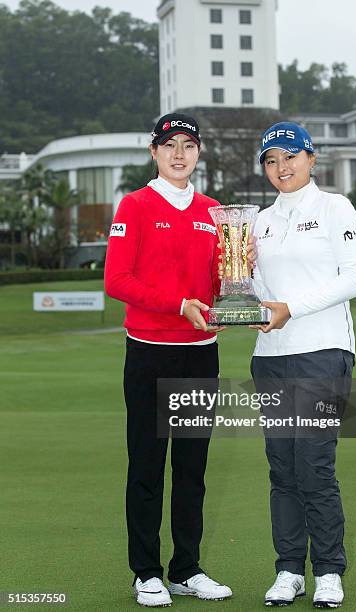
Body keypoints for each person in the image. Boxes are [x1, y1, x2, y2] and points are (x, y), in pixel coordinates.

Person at [104, 113, 232, 607]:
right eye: (169, 144)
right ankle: (146, 572)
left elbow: (222, 283)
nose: (179, 153)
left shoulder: (215, 211)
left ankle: (186, 568)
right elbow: (118, 280)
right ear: (154, 153)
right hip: (150, 352)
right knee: (147, 465)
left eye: (188, 145)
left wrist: (233, 297)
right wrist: (179, 305)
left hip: (200, 356)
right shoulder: (134, 205)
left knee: (192, 468)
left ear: (199, 153)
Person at [250, 122, 356, 608]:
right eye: (272, 160)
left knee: (315, 465)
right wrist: (247, 286)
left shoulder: (334, 207)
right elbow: (255, 291)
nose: (282, 168)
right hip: (271, 358)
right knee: (282, 468)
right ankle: (287, 569)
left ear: (311, 159)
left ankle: (329, 570)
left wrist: (289, 309)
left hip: (323, 351)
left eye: (290, 157)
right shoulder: (256, 222)